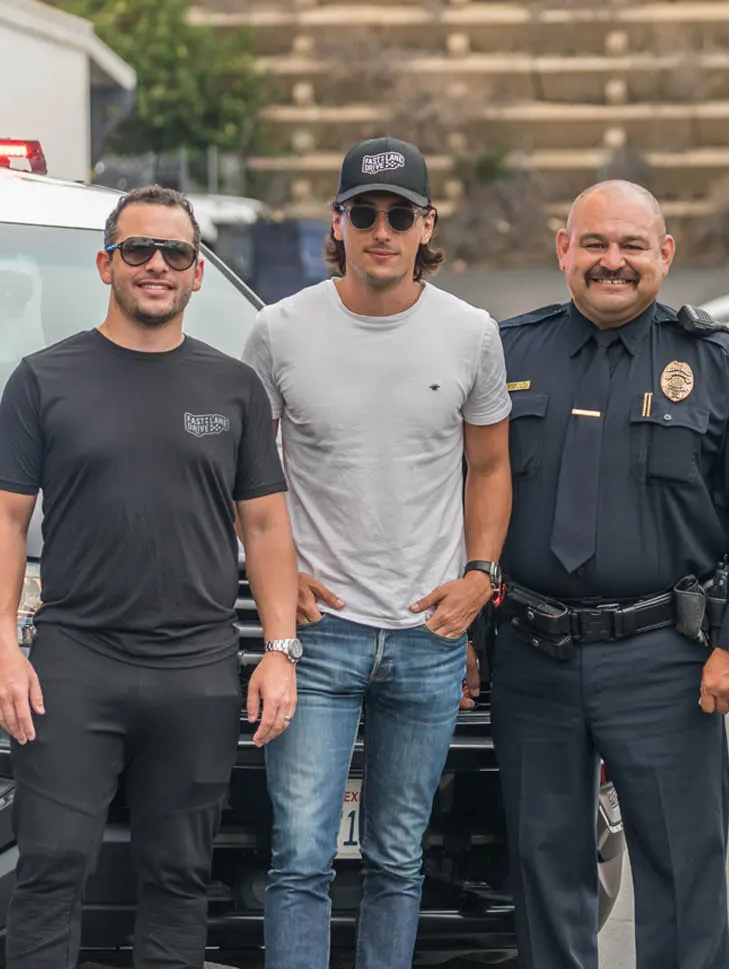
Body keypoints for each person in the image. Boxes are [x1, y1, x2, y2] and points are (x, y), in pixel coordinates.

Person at [0, 185, 301, 969]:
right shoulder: (44, 379)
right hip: (74, 664)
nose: (156, 265)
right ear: (106, 264)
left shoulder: (233, 389)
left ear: (197, 274)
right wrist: (0, 645)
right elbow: (4, 521)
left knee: (179, 877)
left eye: (176, 253)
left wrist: (282, 649)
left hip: (196, 667)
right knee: (52, 870)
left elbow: (264, 526)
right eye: (137, 250)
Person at [490, 179, 729, 969]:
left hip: (665, 660)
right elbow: (453, 492)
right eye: (593, 243)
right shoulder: (503, 354)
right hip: (531, 655)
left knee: (682, 875)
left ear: (665, 254)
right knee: (546, 871)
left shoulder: (720, 366)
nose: (612, 262)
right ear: (563, 249)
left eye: (632, 245)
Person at [241, 135, 512, 969]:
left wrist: (480, 576)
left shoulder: (470, 332)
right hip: (316, 640)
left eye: (401, 215)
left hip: (428, 638)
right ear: (339, 221)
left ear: (428, 225)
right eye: (365, 213)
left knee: (399, 860)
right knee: (300, 862)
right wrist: (281, 582)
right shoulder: (278, 331)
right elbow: (243, 478)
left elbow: (492, 466)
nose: (382, 230)